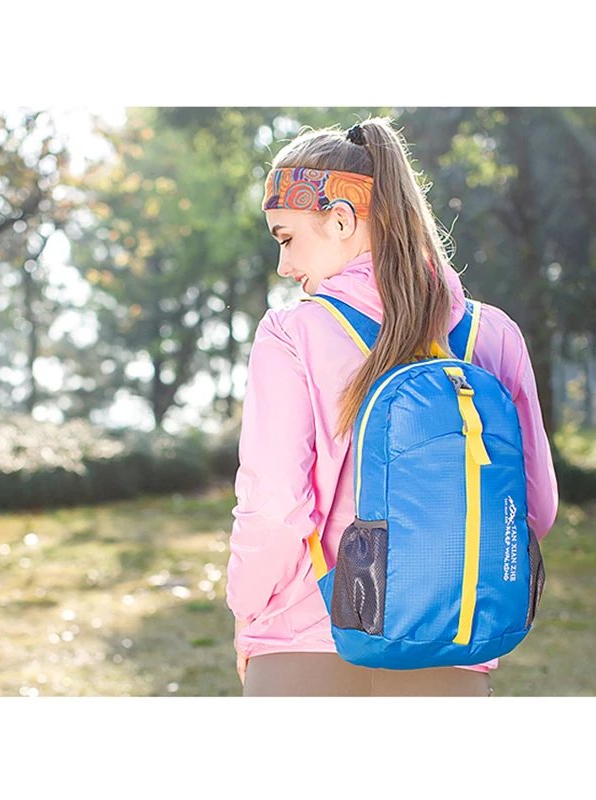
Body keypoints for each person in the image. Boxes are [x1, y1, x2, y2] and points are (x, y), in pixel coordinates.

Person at [225, 117, 559, 696]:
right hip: (452, 642)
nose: (283, 265)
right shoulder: (492, 333)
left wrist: (247, 609)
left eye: (286, 237)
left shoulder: (292, 333)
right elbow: (536, 508)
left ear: (340, 220)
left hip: (306, 638)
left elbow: (276, 508)